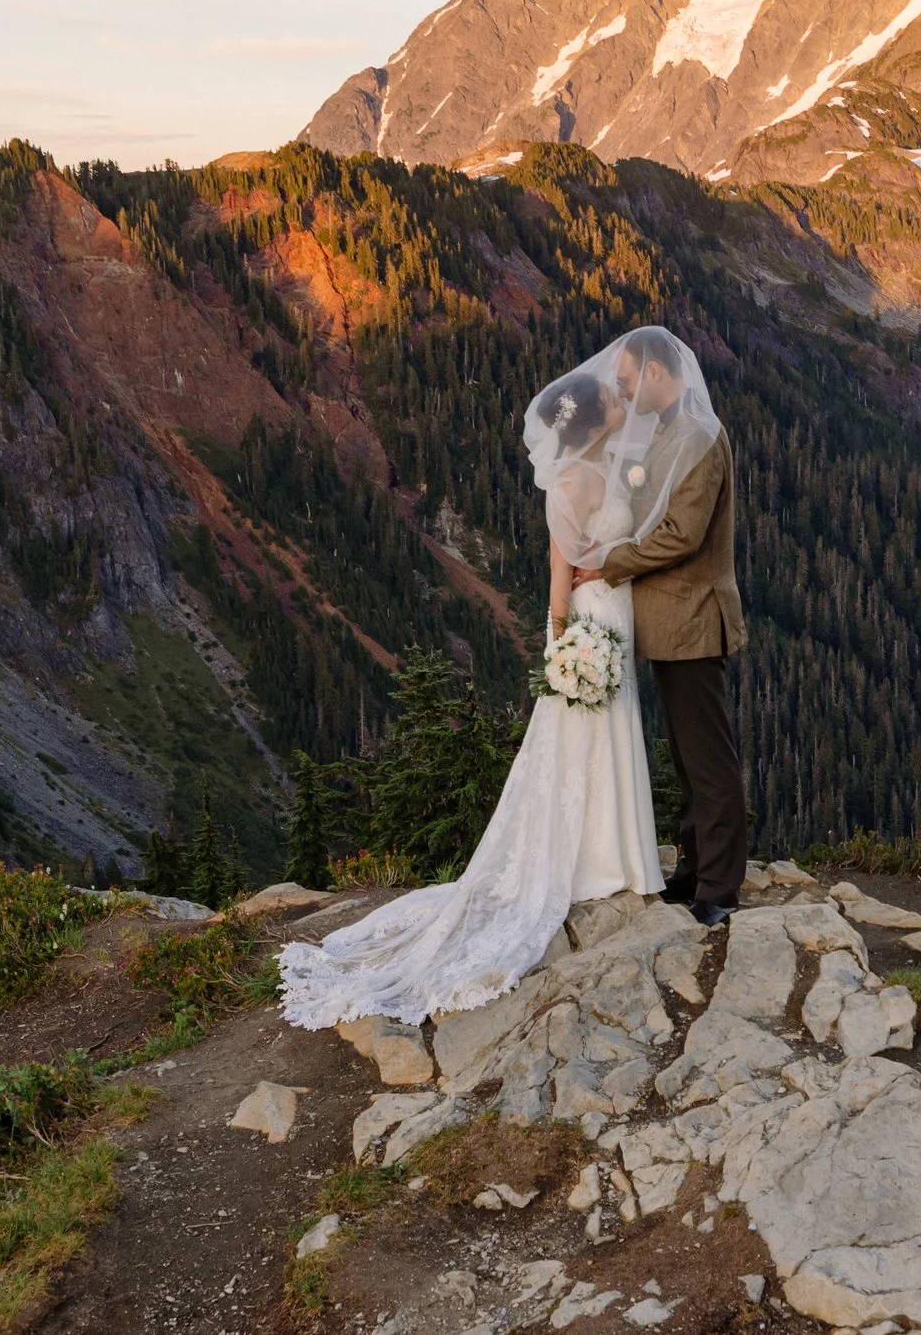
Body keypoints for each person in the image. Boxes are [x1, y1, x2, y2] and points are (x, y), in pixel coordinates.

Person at [275, 334, 701, 1029]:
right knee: (594, 725)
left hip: (612, 612)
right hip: (598, 614)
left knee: (608, 722)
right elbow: (561, 579)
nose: (625, 401)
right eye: (615, 400)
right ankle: (610, 860)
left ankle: (617, 857)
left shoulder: (605, 468)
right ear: (597, 421)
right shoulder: (571, 483)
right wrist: (561, 637)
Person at [574, 325, 746, 927]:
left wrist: (609, 565)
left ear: (654, 371)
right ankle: (694, 870)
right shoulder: (674, 430)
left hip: (695, 618)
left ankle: (720, 889)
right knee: (686, 755)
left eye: (626, 380)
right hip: (673, 622)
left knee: (709, 759)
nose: (623, 391)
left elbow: (682, 535)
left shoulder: (699, 436)